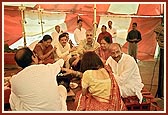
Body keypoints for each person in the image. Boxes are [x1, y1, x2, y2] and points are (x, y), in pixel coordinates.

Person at [62, 51, 126, 111]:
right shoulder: (106, 69)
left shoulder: (87, 74)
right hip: (114, 102)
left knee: (80, 95)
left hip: (101, 105)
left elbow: (84, 93)